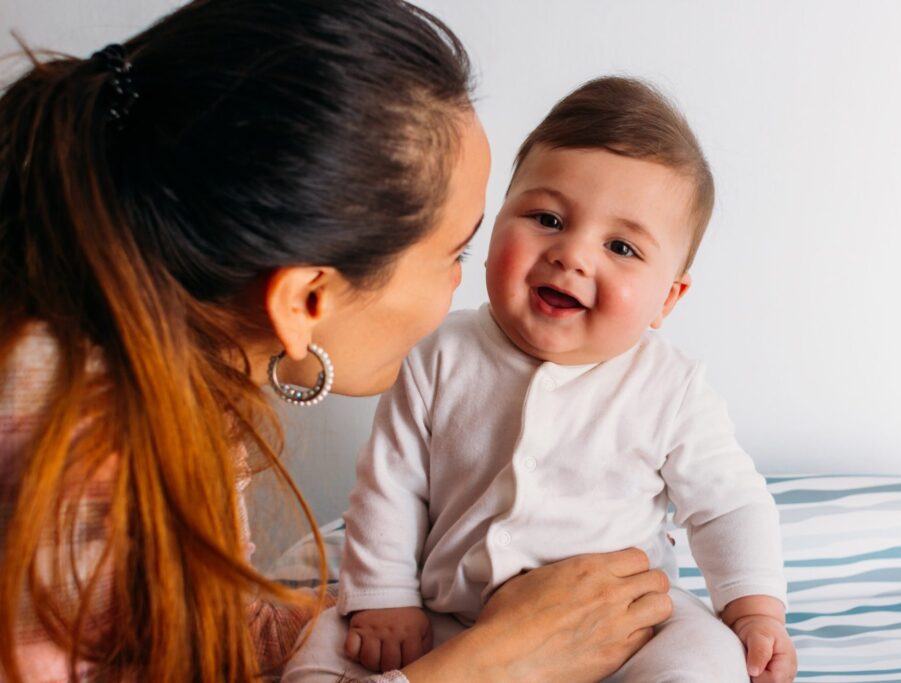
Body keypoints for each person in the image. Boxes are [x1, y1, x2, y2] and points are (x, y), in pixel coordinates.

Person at [0, 2, 674, 681]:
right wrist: (493, 662)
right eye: (454, 254)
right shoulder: (74, 444)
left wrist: (403, 612)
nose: (461, 287)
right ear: (305, 300)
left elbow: (176, 633)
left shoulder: (179, 356)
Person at [284, 78, 799, 683]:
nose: (573, 254)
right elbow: (389, 486)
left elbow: (727, 505)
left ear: (669, 297)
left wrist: (754, 609)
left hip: (626, 624)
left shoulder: (671, 386)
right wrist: (385, 596)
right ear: (493, 221)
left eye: (622, 247)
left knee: (704, 659)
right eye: (548, 218)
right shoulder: (438, 352)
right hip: (454, 617)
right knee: (327, 643)